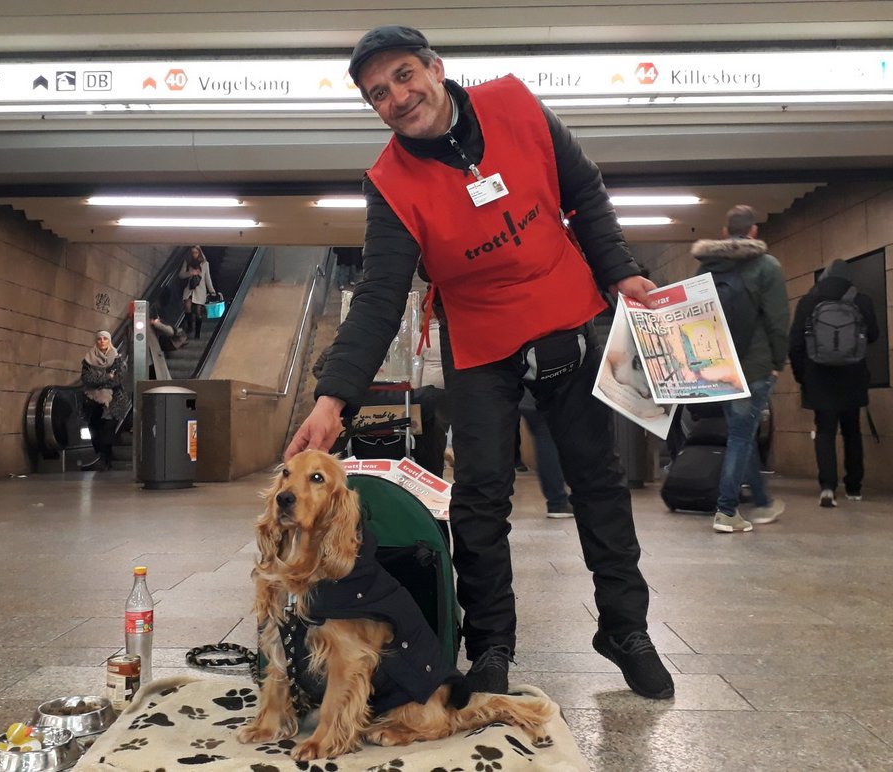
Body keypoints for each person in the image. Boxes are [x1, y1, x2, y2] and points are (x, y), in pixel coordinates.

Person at [286, 25, 673, 700]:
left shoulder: (517, 104)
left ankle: (625, 628)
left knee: (600, 485)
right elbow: (379, 296)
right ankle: (492, 645)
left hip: (570, 320)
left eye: (405, 76)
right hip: (482, 345)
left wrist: (621, 273)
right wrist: (331, 398)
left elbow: (584, 193)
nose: (398, 98)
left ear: (436, 68)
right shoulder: (389, 183)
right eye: (379, 93)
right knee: (480, 500)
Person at [691, 205, 790, 533]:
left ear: (724, 233)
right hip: (754, 366)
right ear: (754, 232)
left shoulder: (704, 270)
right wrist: (778, 361)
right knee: (739, 435)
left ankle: (762, 501)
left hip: (718, 366)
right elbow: (777, 321)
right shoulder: (767, 267)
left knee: (740, 433)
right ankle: (726, 510)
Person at [789, 258, 880, 507]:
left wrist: (802, 376)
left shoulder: (809, 302)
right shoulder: (862, 300)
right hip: (853, 376)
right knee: (852, 431)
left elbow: (795, 344)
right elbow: (873, 335)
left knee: (825, 431)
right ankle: (854, 487)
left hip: (819, 377)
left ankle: (827, 487)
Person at [81, 330, 130, 471]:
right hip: (92, 401)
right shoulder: (88, 359)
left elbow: (118, 380)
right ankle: (101, 457)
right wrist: (106, 377)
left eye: (105, 339)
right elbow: (87, 379)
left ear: (109, 341)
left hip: (113, 400)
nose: (102, 341)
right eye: (99, 339)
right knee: (94, 429)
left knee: (107, 429)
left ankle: (105, 459)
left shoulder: (117, 359)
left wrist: (101, 381)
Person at [518, 391, 573, 518]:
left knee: (543, 439)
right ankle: (558, 502)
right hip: (539, 395)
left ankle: (557, 500)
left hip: (524, 396)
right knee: (547, 440)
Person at [411, 317, 450, 477]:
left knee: (435, 425)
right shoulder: (448, 334)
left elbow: (417, 363)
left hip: (429, 384)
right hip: (448, 382)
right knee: (449, 423)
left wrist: (416, 387)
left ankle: (440, 456)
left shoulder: (422, 337)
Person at [178, 245, 217, 339]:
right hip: (189, 289)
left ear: (199, 252)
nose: (194, 254)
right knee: (187, 306)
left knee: (198, 311)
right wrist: (190, 273)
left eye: (196, 252)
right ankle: (190, 326)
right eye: (192, 252)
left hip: (200, 290)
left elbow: (207, 278)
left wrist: (212, 291)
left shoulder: (205, 264)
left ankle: (197, 333)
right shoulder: (187, 262)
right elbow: (181, 275)